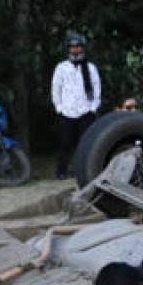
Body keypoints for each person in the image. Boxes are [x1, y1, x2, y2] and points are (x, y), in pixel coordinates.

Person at [51, 31, 101, 179]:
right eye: (72, 47)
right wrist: (59, 108)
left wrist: (93, 107)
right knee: (64, 143)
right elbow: (56, 88)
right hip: (66, 111)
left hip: (85, 110)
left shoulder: (90, 68)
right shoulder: (61, 67)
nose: (75, 50)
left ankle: (85, 169)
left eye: (78, 47)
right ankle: (62, 170)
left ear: (83, 48)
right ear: (68, 49)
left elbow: (97, 88)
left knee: (86, 143)